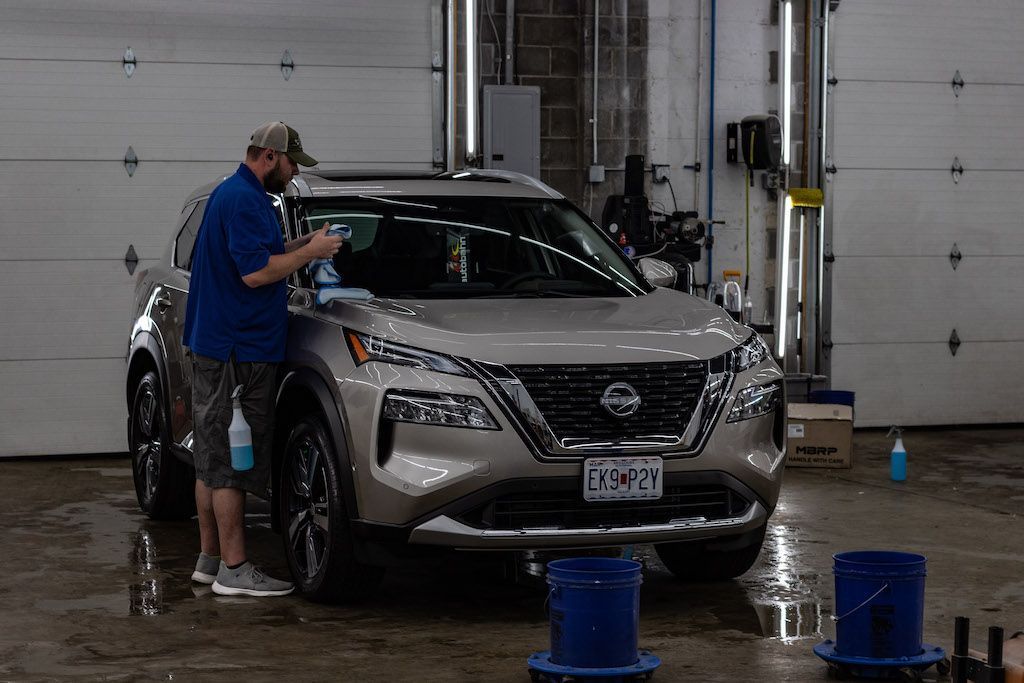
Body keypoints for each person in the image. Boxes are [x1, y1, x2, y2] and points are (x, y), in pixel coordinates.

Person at [182, 122, 343, 597]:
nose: (294, 173)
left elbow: (261, 254)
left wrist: (304, 244)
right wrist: (311, 254)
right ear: (269, 156)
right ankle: (235, 570)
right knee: (231, 461)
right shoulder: (246, 200)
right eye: (292, 163)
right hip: (237, 353)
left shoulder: (237, 195)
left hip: (220, 347)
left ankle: (210, 560)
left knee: (210, 459)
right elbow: (255, 273)